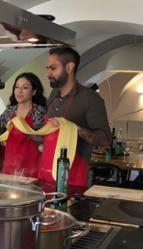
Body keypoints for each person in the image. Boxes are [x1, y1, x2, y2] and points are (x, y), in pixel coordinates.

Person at [38, 47, 112, 187]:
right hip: (46, 175)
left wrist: (73, 127)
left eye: (53, 68)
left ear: (69, 67)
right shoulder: (53, 98)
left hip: (73, 178)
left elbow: (104, 141)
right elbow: (48, 137)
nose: (48, 73)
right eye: (48, 68)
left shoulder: (90, 99)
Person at [0, 72, 47, 177]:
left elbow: (48, 138)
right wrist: (5, 143)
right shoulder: (9, 112)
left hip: (33, 170)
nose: (19, 91)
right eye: (17, 87)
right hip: (9, 169)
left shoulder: (40, 112)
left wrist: (35, 139)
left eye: (25, 87)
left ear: (34, 91)